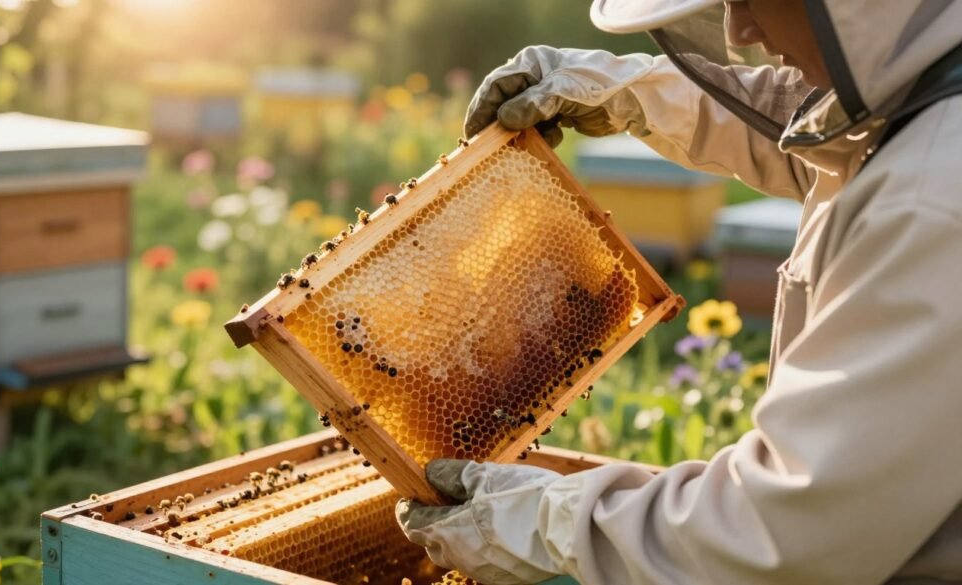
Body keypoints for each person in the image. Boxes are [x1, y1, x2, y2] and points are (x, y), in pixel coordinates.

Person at [396, 1, 962, 584]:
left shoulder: (934, 201)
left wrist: (543, 522)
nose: (737, 29)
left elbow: (784, 532)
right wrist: (629, 90)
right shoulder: (922, 97)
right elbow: (819, 134)